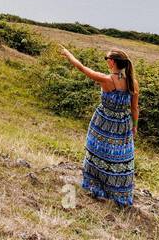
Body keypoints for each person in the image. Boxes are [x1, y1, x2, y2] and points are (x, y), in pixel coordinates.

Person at [59, 46, 138, 207]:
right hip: (123, 124)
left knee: (97, 154)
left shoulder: (106, 79)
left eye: (106, 58)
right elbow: (135, 108)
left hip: (103, 122)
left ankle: (97, 187)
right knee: (120, 159)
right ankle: (118, 194)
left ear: (112, 62)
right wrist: (134, 127)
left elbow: (81, 67)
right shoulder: (132, 82)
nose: (106, 61)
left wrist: (68, 54)